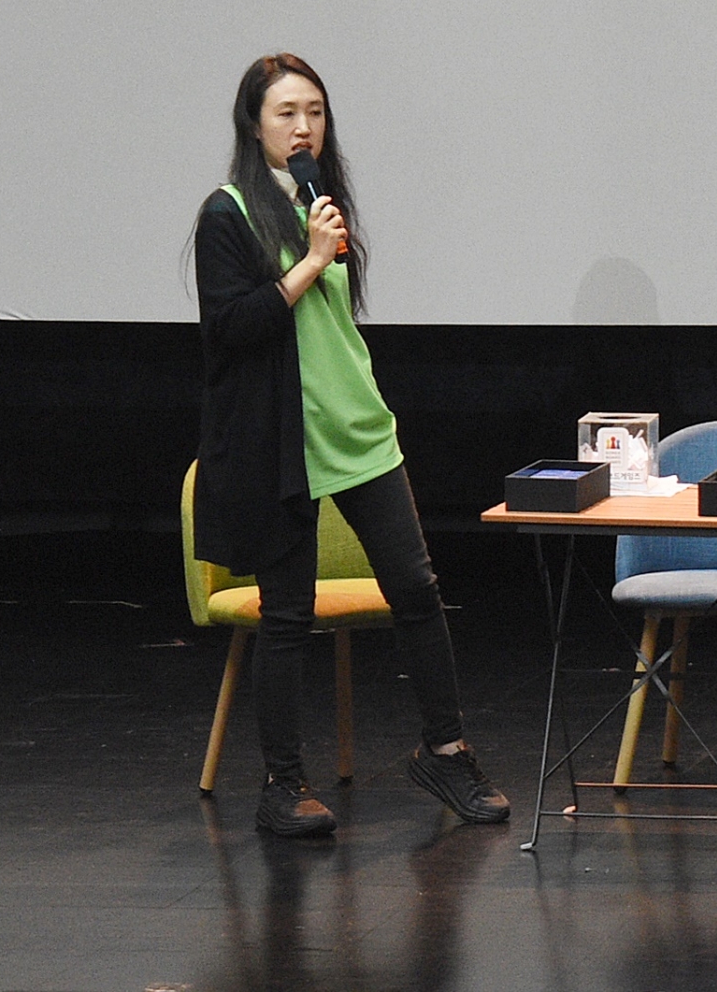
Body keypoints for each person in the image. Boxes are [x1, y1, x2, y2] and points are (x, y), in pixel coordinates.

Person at [191, 53, 509, 837]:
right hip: (281, 442)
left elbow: (334, 326)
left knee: (417, 590)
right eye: (286, 113)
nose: (304, 127)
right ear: (253, 124)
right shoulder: (228, 213)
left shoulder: (319, 201)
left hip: (359, 430)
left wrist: (322, 245)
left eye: (316, 112)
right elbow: (232, 327)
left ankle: (446, 750)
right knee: (287, 614)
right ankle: (283, 785)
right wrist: (308, 260)